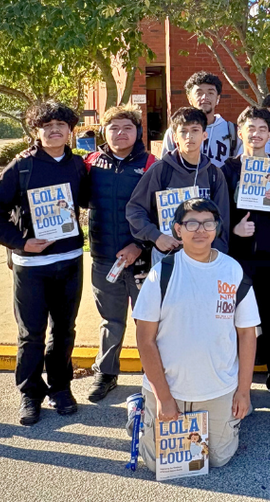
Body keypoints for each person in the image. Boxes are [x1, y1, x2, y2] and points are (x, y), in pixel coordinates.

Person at [132, 198, 259, 469]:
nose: (200, 230)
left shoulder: (233, 270)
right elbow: (145, 339)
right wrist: (164, 399)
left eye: (208, 223)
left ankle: (221, 417)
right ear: (178, 229)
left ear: (217, 229)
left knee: (217, 459)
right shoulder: (161, 273)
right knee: (159, 465)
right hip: (170, 387)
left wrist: (244, 391)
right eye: (191, 223)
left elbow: (247, 334)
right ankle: (141, 411)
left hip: (217, 387)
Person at [0, 101, 91, 426]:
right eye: (47, 126)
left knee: (64, 330)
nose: (55, 130)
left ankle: (60, 388)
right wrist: (22, 243)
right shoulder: (20, 168)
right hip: (30, 266)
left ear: (70, 130)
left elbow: (88, 201)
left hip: (70, 260)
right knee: (31, 333)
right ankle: (30, 392)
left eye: (61, 124)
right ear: (36, 130)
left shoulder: (77, 166)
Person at [82, 104, 157, 402]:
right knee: (110, 320)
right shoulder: (90, 163)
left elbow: (159, 212)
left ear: (137, 131)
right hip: (103, 257)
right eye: (113, 128)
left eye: (127, 127)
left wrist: (139, 244)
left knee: (147, 320)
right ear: (104, 131)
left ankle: (153, 374)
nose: (120, 133)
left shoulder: (152, 164)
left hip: (142, 257)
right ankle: (106, 373)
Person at [221, 106, 270, 393]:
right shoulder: (228, 169)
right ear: (240, 132)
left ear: (269, 133)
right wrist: (234, 232)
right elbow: (218, 212)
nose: (256, 133)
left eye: (262, 129)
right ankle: (238, 379)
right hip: (239, 257)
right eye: (251, 128)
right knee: (237, 317)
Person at [127, 107, 230, 267]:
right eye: (183, 131)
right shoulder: (160, 170)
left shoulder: (214, 174)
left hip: (205, 257)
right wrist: (156, 236)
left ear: (204, 135)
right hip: (167, 255)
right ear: (175, 137)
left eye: (195, 130)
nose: (189, 136)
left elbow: (222, 220)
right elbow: (135, 209)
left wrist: (218, 256)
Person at [161, 71, 239, 166]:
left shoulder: (232, 131)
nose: (205, 97)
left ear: (218, 98)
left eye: (210, 93)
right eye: (199, 93)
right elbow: (165, 168)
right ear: (189, 98)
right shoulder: (176, 131)